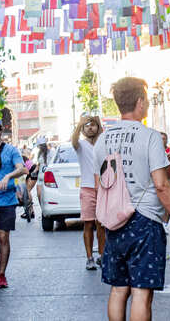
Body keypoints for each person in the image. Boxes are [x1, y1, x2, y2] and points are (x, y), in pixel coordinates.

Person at [93, 77, 170, 321]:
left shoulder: (103, 139)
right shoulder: (150, 136)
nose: (146, 104)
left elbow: (99, 186)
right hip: (145, 220)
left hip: (115, 221)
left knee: (118, 289)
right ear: (139, 102)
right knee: (141, 292)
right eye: (144, 100)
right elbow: (161, 184)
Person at [0, 117, 27, 288]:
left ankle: (2, 273)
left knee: (3, 237)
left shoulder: (11, 150)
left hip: (7, 200)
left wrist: (8, 176)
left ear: (2, 131)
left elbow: (22, 168)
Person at [71, 114, 105, 270]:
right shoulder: (81, 145)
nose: (90, 127)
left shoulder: (102, 143)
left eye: (93, 125)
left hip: (103, 188)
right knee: (88, 223)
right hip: (87, 188)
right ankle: (89, 257)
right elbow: (73, 139)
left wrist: (99, 123)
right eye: (87, 125)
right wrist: (80, 123)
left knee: (102, 224)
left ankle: (103, 256)